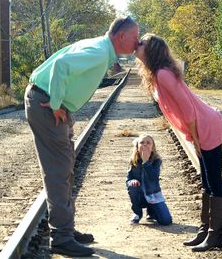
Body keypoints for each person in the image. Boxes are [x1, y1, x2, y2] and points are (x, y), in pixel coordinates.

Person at [24, 16, 139, 257]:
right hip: (47, 103)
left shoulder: (99, 48)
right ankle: (62, 236)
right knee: (58, 170)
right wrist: (55, 103)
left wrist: (61, 104)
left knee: (64, 167)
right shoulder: (98, 52)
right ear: (121, 37)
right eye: (135, 37)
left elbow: (63, 64)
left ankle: (66, 229)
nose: (137, 42)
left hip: (51, 102)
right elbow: (62, 65)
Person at [135, 34, 222, 252]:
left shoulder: (163, 74)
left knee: (214, 181)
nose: (137, 46)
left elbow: (187, 109)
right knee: (206, 180)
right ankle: (206, 230)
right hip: (201, 127)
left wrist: (195, 139)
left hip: (206, 127)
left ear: (151, 51)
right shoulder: (158, 74)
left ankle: (217, 235)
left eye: (142, 44)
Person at [126, 134, 172, 226]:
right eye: (142, 143)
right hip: (140, 195)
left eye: (148, 143)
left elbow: (153, 178)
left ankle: (151, 211)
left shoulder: (156, 160)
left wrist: (146, 162)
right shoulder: (133, 160)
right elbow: (128, 179)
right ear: (137, 147)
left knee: (166, 221)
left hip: (153, 196)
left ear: (152, 147)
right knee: (132, 186)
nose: (145, 145)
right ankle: (137, 213)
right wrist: (131, 181)